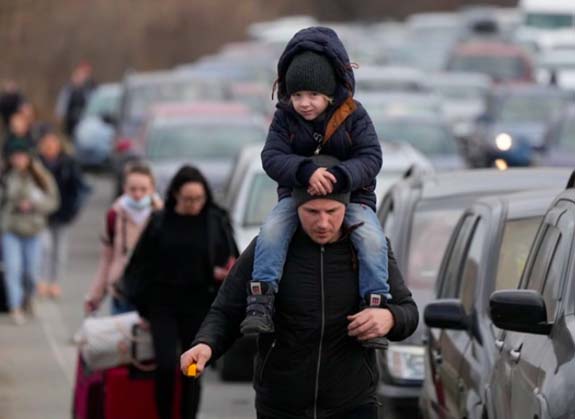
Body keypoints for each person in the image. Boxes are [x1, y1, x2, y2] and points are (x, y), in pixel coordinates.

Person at [180, 156, 419, 419]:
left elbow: (408, 312)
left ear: (347, 208)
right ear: (295, 208)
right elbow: (226, 310)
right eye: (312, 212)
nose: (323, 223)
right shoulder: (267, 251)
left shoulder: (370, 251)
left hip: (353, 402)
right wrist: (205, 344)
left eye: (332, 212)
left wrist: (389, 318)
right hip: (281, 404)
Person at [241, 27, 389, 350]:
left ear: (329, 94)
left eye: (312, 96)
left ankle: (375, 305)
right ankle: (261, 299)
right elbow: (271, 157)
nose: (304, 104)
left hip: (354, 198)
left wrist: (339, 176)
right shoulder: (284, 119)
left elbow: (371, 157)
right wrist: (304, 171)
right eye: (297, 96)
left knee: (373, 241)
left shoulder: (354, 115)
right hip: (296, 198)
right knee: (271, 231)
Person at [122, 165, 238, 419]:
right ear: (175, 194)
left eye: (199, 198)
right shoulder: (160, 221)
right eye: (188, 199)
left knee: (193, 369)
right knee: (165, 366)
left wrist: (223, 272)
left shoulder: (215, 220)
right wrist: (140, 304)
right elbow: (139, 264)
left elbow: (232, 260)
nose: (194, 204)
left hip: (199, 303)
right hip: (162, 303)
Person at [84, 161, 162, 315]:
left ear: (152, 189)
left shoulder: (161, 216)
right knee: (119, 338)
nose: (138, 194)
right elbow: (107, 260)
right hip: (122, 291)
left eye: (143, 189)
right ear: (124, 188)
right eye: (133, 189)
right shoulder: (115, 215)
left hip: (152, 293)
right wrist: (95, 297)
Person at [0, 142, 59, 325]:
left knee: (31, 271)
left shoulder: (40, 177)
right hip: (10, 229)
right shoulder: (6, 177)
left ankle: (29, 298)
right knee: (12, 269)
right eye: (15, 156)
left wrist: (33, 205)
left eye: (22, 156)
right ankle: (15, 306)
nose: (18, 160)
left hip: (34, 230)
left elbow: (53, 202)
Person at [37, 130, 90, 298]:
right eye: (46, 143)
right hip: (42, 215)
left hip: (63, 214)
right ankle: (42, 281)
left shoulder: (69, 163)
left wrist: (74, 210)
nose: (50, 147)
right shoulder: (36, 164)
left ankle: (55, 282)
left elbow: (81, 189)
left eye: (53, 142)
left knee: (59, 250)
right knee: (45, 248)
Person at [55, 62, 96, 140]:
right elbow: (63, 101)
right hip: (71, 120)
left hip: (85, 120)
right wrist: (60, 114)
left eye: (87, 73)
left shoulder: (92, 87)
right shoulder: (69, 88)